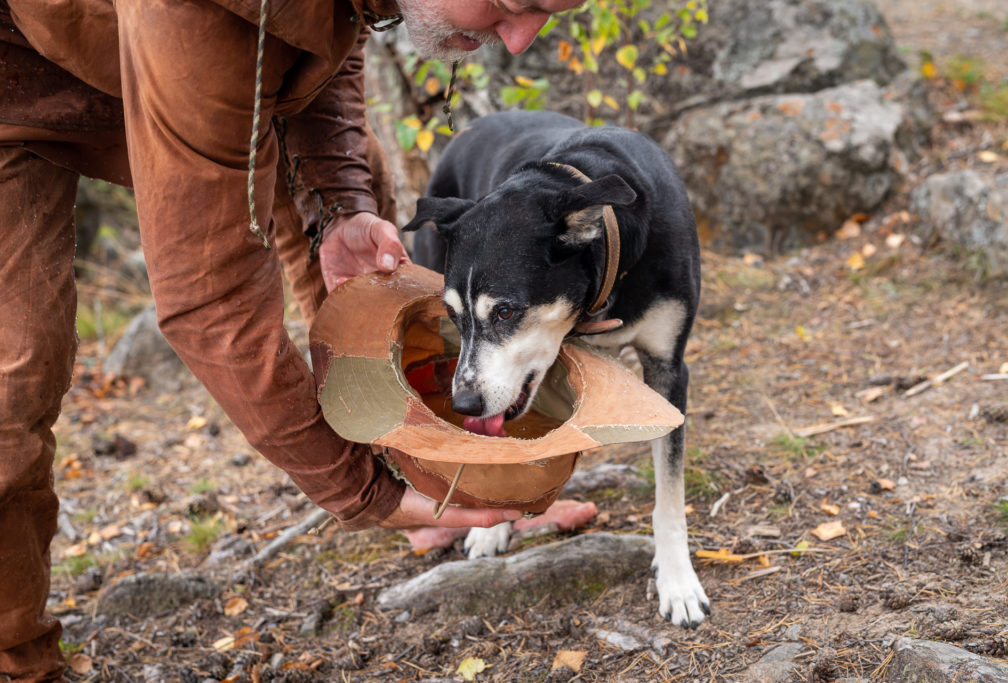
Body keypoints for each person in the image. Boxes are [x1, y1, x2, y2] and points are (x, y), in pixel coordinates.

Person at [0, 1, 597, 680]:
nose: (521, 40)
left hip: (201, 78)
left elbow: (325, 29)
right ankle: (17, 659)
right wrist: (358, 493)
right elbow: (211, 303)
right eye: (514, 2)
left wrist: (342, 203)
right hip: (17, 90)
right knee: (13, 377)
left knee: (358, 213)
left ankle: (441, 484)